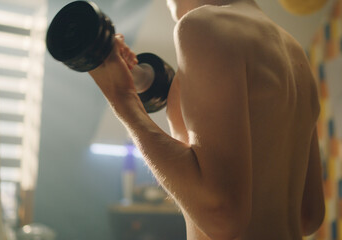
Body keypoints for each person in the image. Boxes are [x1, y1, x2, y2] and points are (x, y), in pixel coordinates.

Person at [89, 0, 325, 239]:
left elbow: (221, 214)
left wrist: (124, 100)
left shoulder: (202, 25)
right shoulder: (296, 53)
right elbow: (308, 215)